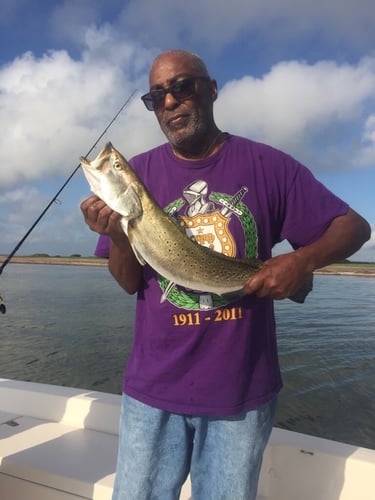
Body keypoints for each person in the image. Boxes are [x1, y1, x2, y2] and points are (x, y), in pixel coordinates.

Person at [80, 50, 370, 500]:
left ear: (211, 89)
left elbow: (354, 226)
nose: (171, 102)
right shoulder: (144, 171)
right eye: (157, 96)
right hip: (152, 390)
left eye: (183, 86)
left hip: (241, 392)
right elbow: (130, 282)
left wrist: (300, 261)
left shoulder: (269, 166)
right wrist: (118, 235)